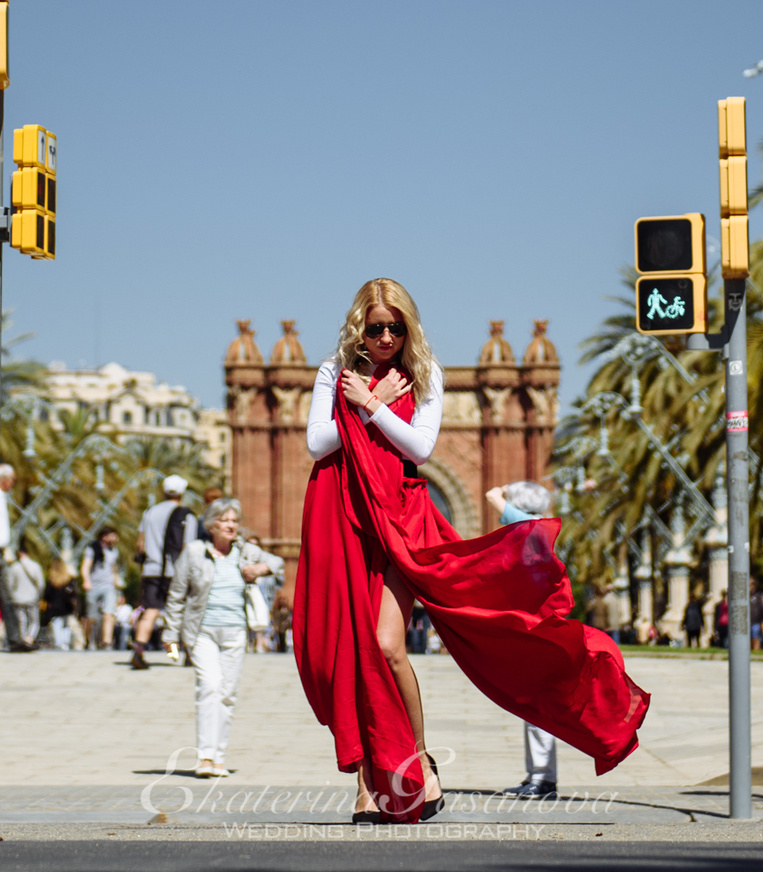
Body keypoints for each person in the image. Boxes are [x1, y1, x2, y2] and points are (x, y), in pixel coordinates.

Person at [296, 278, 649, 823]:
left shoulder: (426, 373)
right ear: (358, 328)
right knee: (344, 654)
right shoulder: (333, 372)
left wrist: (370, 405)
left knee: (386, 645)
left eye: (396, 326)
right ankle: (368, 783)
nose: (386, 336)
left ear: (409, 327)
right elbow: (316, 442)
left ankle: (418, 765)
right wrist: (364, 405)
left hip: (401, 519)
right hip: (342, 517)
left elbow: (421, 446)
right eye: (375, 327)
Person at [163, 497, 279, 778]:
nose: (231, 526)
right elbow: (177, 594)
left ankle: (219, 757)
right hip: (201, 631)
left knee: (227, 694)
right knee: (210, 686)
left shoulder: (246, 551)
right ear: (212, 524)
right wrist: (170, 637)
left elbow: (276, 562)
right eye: (225, 521)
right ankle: (204, 756)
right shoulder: (193, 552)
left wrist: (260, 569)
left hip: (236, 631)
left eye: (235, 521)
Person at [486, 480, 560, 801]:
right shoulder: (540, 529)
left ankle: (543, 781)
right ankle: (536, 776)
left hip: (535, 629)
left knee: (538, 709)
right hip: (538, 626)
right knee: (532, 709)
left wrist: (505, 488)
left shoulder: (525, 525)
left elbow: (490, 495)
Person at [132, 474, 198, 670]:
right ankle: (182, 655)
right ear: (182, 493)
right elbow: (189, 547)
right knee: (181, 612)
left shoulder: (150, 512)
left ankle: (139, 651)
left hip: (151, 570)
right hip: (177, 572)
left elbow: (140, 544)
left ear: (163, 491)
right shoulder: (187, 515)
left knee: (150, 611)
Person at [81, 527, 122, 651]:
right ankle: (87, 639)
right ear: (105, 537)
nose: (116, 539)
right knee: (91, 616)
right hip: (93, 586)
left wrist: (117, 589)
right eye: (113, 535)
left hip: (108, 587)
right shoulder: (92, 549)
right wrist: (86, 581)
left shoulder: (114, 551)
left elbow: (114, 571)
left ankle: (106, 642)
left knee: (108, 614)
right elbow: (85, 567)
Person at [2, 547, 44, 651]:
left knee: (22, 620)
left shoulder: (14, 567)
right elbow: (41, 584)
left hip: (18, 598)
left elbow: (9, 584)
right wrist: (39, 595)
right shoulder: (35, 566)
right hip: (32, 598)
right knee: (34, 621)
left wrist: (12, 596)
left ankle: (22, 639)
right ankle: (29, 639)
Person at [43, 562, 82, 650]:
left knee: (56, 627)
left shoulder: (51, 582)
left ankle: (58, 644)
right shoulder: (68, 581)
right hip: (66, 609)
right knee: (65, 627)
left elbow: (46, 596)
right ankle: (65, 644)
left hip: (54, 610)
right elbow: (73, 595)